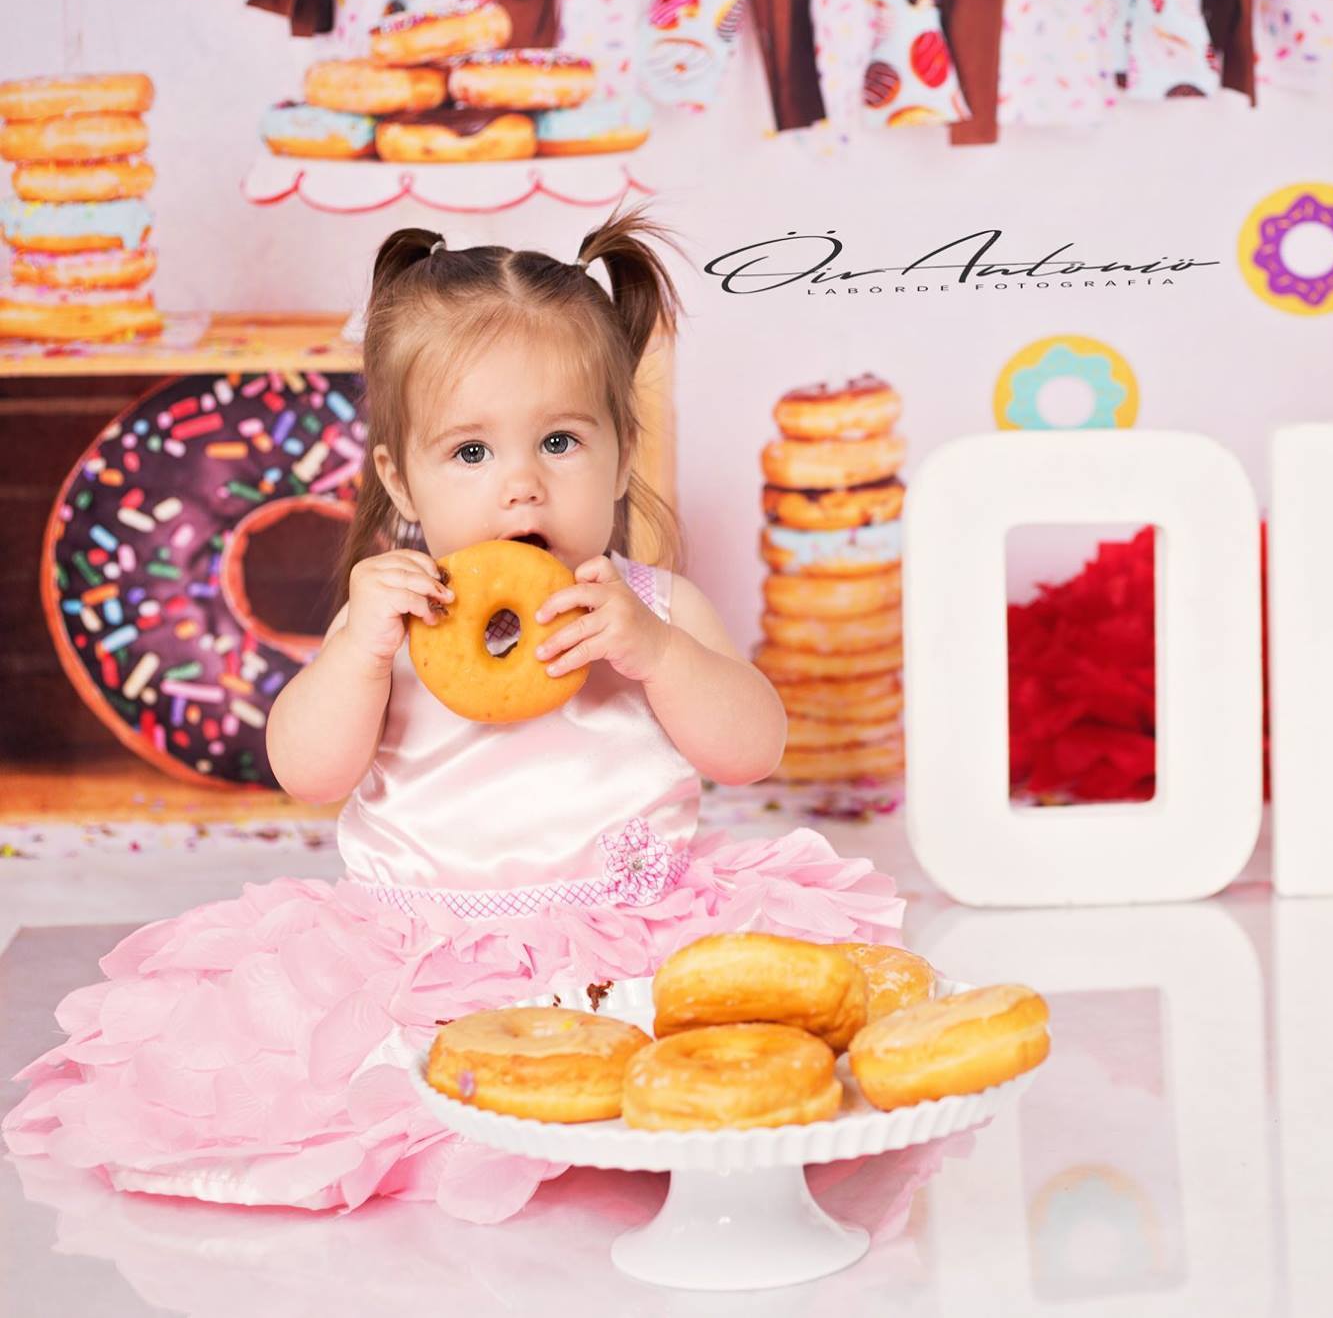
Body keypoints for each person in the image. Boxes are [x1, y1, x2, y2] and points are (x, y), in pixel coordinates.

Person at [3, 210, 902, 1223]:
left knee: (733, 1080)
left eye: (560, 441)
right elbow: (309, 772)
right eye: (469, 453)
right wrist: (355, 653)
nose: (522, 483)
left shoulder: (648, 609)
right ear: (400, 480)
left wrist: (655, 656)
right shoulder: (390, 624)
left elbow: (752, 750)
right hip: (422, 952)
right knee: (383, 1100)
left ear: (620, 457)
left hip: (631, 942)